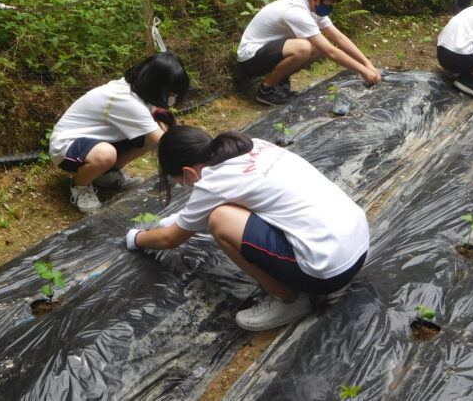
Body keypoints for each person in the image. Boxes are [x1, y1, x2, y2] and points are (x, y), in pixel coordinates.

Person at [125, 125, 370, 331]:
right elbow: (236, 193)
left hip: (327, 273)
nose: (184, 186)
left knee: (220, 219)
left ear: (188, 172)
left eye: (179, 182)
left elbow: (170, 239)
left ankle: (289, 300)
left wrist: (136, 238)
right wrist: (180, 217)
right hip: (358, 244)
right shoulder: (253, 145)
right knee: (235, 210)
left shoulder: (212, 182)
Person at [49, 52, 190, 214]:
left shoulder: (137, 90)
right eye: (171, 94)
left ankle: (106, 176)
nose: (172, 99)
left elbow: (159, 132)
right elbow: (167, 142)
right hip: (66, 146)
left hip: (93, 141)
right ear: (157, 86)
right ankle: (80, 187)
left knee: (151, 137)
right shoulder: (124, 100)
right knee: (105, 155)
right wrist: (187, 168)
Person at [235, 0, 382, 106]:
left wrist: (366, 63)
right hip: (251, 58)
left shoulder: (313, 7)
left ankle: (279, 82)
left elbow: (339, 37)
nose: (330, 8)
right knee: (304, 48)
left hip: (270, 51)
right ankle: (266, 91)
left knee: (317, 48)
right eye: (330, 4)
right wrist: (363, 71)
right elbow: (331, 51)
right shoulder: (296, 12)